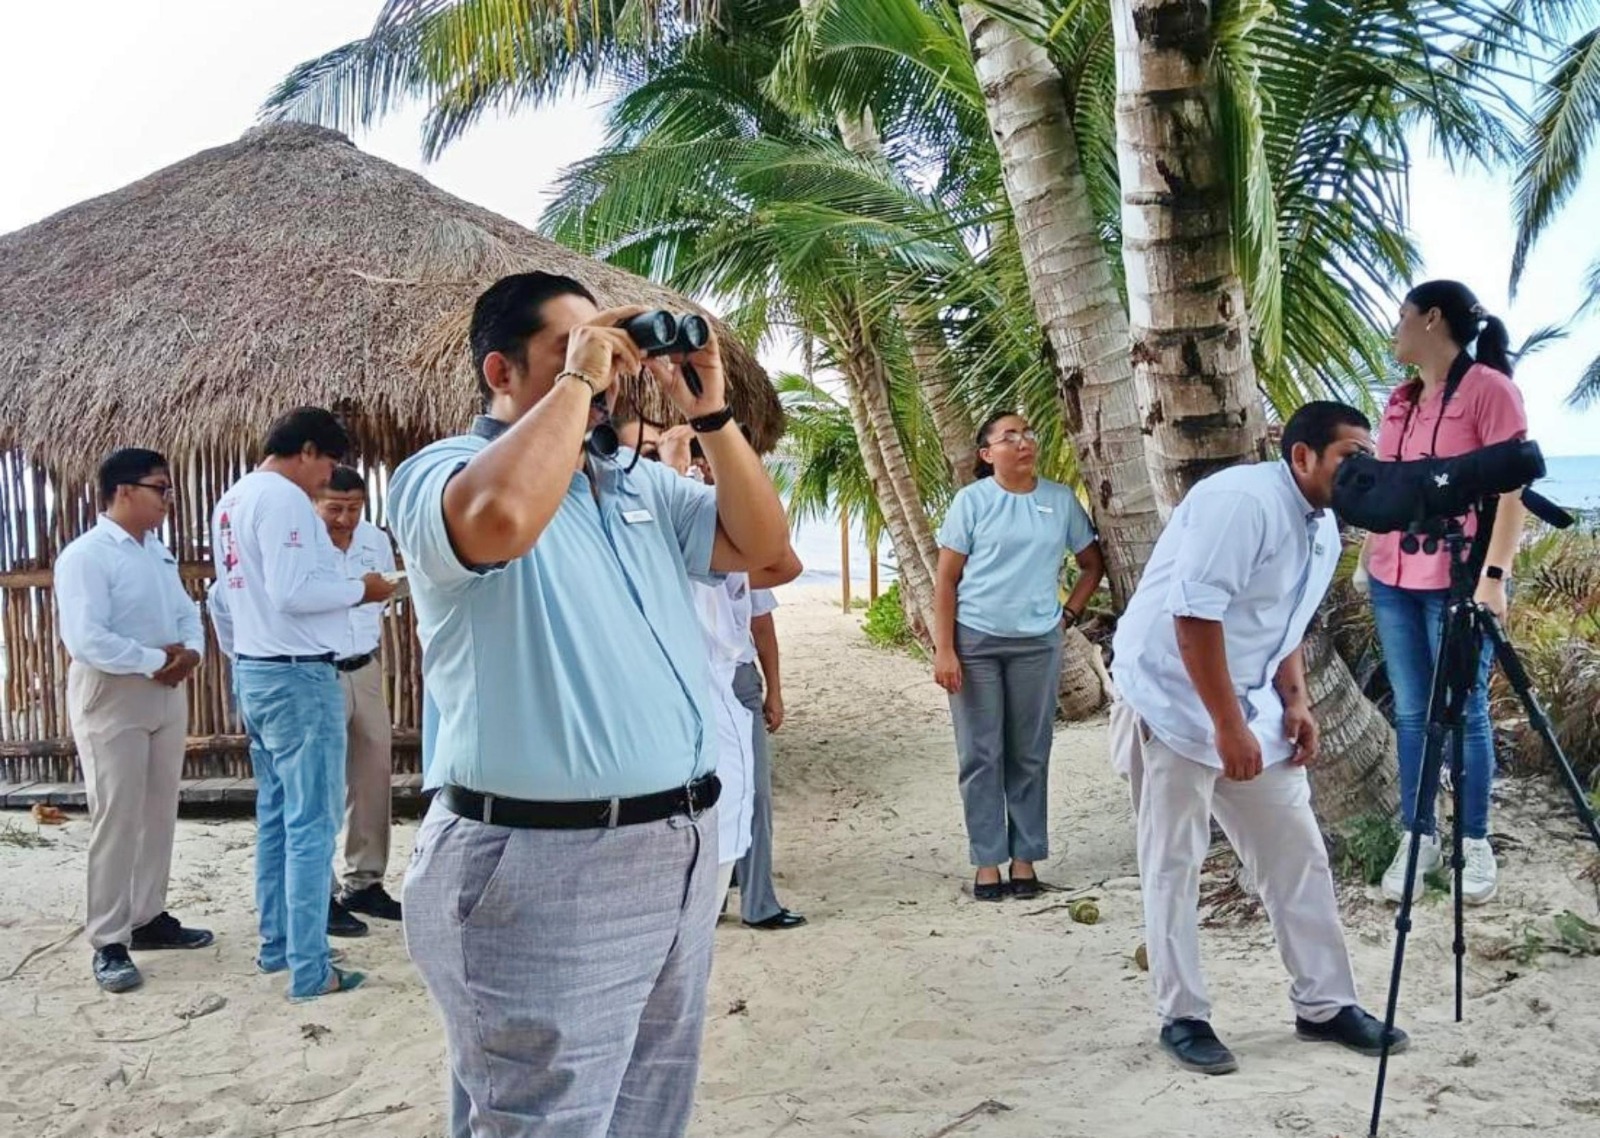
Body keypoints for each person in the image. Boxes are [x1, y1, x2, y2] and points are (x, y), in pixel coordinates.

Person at [388, 272, 790, 1138]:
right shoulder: (438, 474)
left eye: (606, 351)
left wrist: (712, 415)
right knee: (545, 1117)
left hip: (677, 846)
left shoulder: (634, 485)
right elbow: (499, 519)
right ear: (500, 371)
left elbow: (767, 550)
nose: (604, 369)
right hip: (540, 861)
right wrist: (578, 381)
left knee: (650, 1105)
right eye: (571, 348)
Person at [1110, 401, 1409, 1076]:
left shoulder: (1323, 527)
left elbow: (1284, 621)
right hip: (1170, 696)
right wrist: (1227, 727)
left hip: (1249, 702)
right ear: (1302, 456)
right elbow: (1194, 615)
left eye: (1369, 457)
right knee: (1174, 863)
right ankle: (1183, 1017)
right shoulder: (1242, 502)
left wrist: (1294, 702)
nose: (1363, 471)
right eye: (1350, 457)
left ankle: (1325, 1005)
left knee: (1297, 854)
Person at [209, 408, 396, 1000]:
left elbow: (226, 599)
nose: (328, 478)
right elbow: (293, 592)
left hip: (256, 668)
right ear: (308, 450)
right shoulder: (285, 499)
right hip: (298, 674)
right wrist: (362, 589)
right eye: (329, 462)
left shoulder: (232, 499)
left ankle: (279, 944)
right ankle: (312, 969)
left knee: (277, 817)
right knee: (313, 822)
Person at [1360, 280, 1527, 906]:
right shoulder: (1400, 400)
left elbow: (1511, 491)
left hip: (1458, 580)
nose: (1395, 328)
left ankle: (1474, 840)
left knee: (1465, 711)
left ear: (1432, 319)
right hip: (1392, 578)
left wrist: (1495, 577)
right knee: (1410, 711)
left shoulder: (1490, 390)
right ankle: (1419, 835)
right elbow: (1389, 488)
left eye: (1401, 315)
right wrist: (1367, 556)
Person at [617, 416, 805, 922]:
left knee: (748, 791)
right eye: (646, 454)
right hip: (669, 684)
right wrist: (673, 475)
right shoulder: (631, 529)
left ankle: (755, 900)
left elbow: (781, 568)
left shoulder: (717, 530)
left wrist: (715, 479)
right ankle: (705, 900)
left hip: (730, 673)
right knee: (685, 800)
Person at [54, 448, 211, 993]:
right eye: (160, 488)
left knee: (159, 808)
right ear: (123, 491)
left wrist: (191, 651)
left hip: (165, 689)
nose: (168, 500)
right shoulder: (86, 556)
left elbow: (187, 612)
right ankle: (108, 939)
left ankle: (147, 917)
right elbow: (86, 639)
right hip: (114, 691)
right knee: (117, 814)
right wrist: (154, 660)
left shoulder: (157, 553)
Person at [932, 412, 1106, 900]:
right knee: (980, 753)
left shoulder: (1060, 501)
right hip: (975, 642)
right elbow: (946, 580)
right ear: (987, 454)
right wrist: (945, 650)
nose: (1023, 441)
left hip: (1037, 644)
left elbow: (1091, 565)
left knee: (1029, 752)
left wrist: (1067, 615)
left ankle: (1025, 858)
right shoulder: (972, 502)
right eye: (1009, 437)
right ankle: (988, 861)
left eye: (1028, 433)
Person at [315, 466, 403, 922]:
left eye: (354, 508)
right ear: (315, 502)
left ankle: (365, 882)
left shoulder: (374, 539)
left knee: (372, 777)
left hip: (364, 666)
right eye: (335, 508)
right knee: (320, 784)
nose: (345, 519)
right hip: (318, 671)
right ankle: (321, 892)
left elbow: (386, 595)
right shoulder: (302, 543)